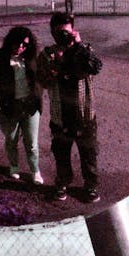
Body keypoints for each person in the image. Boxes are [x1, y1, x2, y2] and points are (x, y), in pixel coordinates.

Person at [37, 11, 102, 202]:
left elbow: (96, 67)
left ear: (73, 31)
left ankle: (91, 186)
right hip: (60, 116)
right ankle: (62, 183)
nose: (62, 36)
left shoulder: (84, 50)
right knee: (61, 155)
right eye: (58, 33)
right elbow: (43, 81)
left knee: (89, 155)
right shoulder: (48, 54)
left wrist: (79, 45)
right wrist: (56, 63)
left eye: (66, 32)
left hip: (85, 115)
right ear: (52, 33)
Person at [0, 26, 44, 185]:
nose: (21, 47)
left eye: (25, 45)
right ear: (10, 42)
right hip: (8, 108)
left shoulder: (33, 59)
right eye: (18, 43)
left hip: (30, 108)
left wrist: (39, 93)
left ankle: (35, 171)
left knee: (32, 143)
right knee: (11, 140)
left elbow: (45, 78)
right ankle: (14, 167)